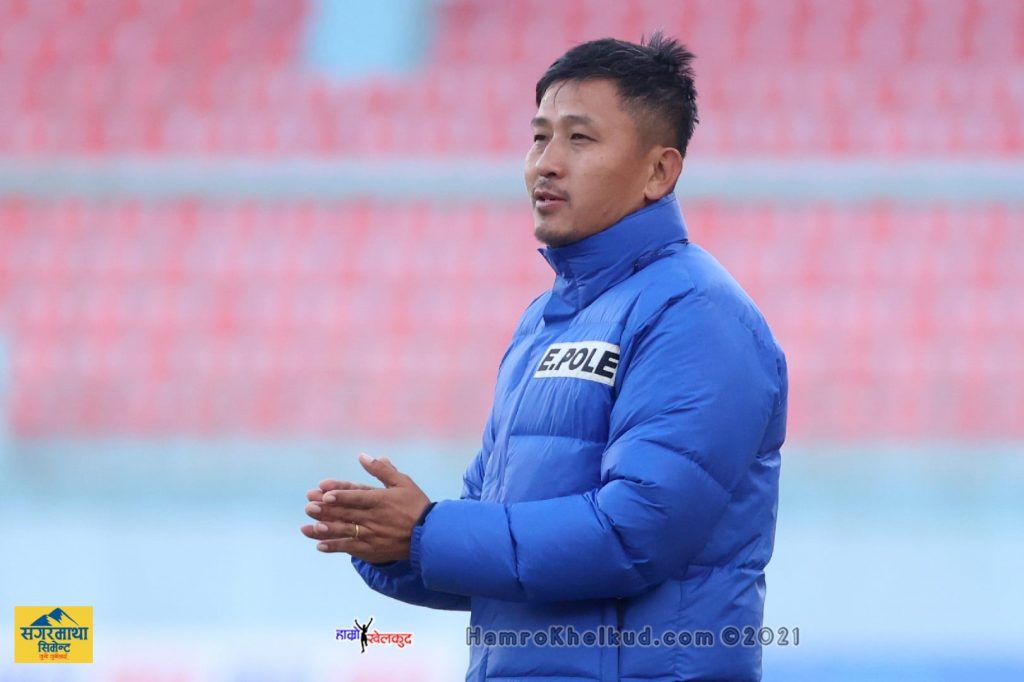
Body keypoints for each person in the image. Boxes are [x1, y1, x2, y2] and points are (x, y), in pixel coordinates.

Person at [301, 32, 788, 682]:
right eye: (539, 138)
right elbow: (497, 544)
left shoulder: (697, 314)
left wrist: (426, 531)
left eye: (579, 139)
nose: (546, 164)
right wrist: (393, 542)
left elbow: (634, 533)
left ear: (659, 171)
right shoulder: (542, 323)